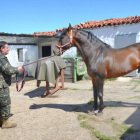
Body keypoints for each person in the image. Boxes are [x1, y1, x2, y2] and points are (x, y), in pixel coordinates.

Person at [0, 41, 23, 129]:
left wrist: (15, 68)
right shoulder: (1, 58)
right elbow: (8, 70)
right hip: (2, 85)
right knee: (5, 103)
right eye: (6, 47)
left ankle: (1, 120)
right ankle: (5, 123)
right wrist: (18, 69)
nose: (8, 49)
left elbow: (6, 68)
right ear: (2, 49)